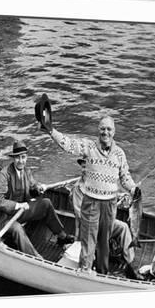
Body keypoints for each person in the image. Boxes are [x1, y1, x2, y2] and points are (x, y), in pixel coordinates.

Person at [47, 116, 140, 274]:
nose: (105, 132)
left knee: (104, 241)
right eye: (102, 128)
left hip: (110, 204)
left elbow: (125, 177)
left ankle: (103, 273)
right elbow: (68, 145)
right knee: (89, 240)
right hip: (91, 202)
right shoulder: (88, 147)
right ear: (98, 130)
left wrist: (133, 189)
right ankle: (85, 270)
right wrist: (51, 131)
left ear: (114, 132)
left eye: (109, 129)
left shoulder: (119, 154)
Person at [0, 140, 75, 257]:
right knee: (17, 230)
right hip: (4, 217)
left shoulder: (27, 171)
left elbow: (32, 187)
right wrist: (18, 205)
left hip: (21, 212)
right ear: (13, 158)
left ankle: (62, 237)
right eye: (18, 158)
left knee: (46, 203)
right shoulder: (4, 174)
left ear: (26, 157)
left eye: (23, 157)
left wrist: (38, 188)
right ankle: (36, 258)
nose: (21, 161)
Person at [70, 158, 141, 279]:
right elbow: (80, 215)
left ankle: (130, 265)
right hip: (89, 226)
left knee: (123, 228)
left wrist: (119, 197)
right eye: (83, 166)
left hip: (104, 223)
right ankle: (90, 269)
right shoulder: (78, 189)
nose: (84, 169)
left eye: (87, 166)